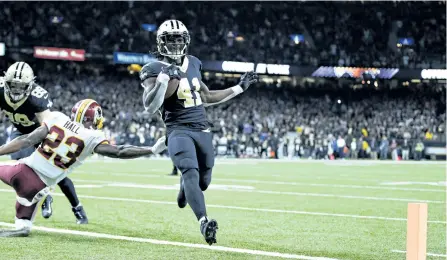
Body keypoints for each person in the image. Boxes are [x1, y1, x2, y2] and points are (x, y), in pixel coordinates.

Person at [140, 20, 258, 245]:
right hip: (178, 129)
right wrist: (164, 80)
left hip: (202, 128)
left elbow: (207, 97)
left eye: (178, 39)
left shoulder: (194, 63)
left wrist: (239, 87)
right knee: (190, 172)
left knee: (203, 181)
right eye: (170, 39)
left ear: (186, 40)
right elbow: (149, 106)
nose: (175, 44)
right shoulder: (154, 69)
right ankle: (203, 221)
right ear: (160, 42)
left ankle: (185, 188)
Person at [0, 99, 167, 237]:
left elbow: (27, 140)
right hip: (40, 186)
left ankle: (27, 219)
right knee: (24, 222)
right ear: (91, 118)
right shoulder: (93, 136)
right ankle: (24, 225)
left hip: (21, 172)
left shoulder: (57, 118)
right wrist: (150, 149)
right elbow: (119, 151)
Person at [1, 62, 88, 224]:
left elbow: (46, 128)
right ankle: (43, 194)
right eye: (13, 85)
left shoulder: (37, 97)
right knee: (20, 167)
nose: (16, 90)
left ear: (30, 85)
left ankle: (77, 208)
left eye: (21, 86)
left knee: (58, 176)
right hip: (20, 132)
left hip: (42, 134)